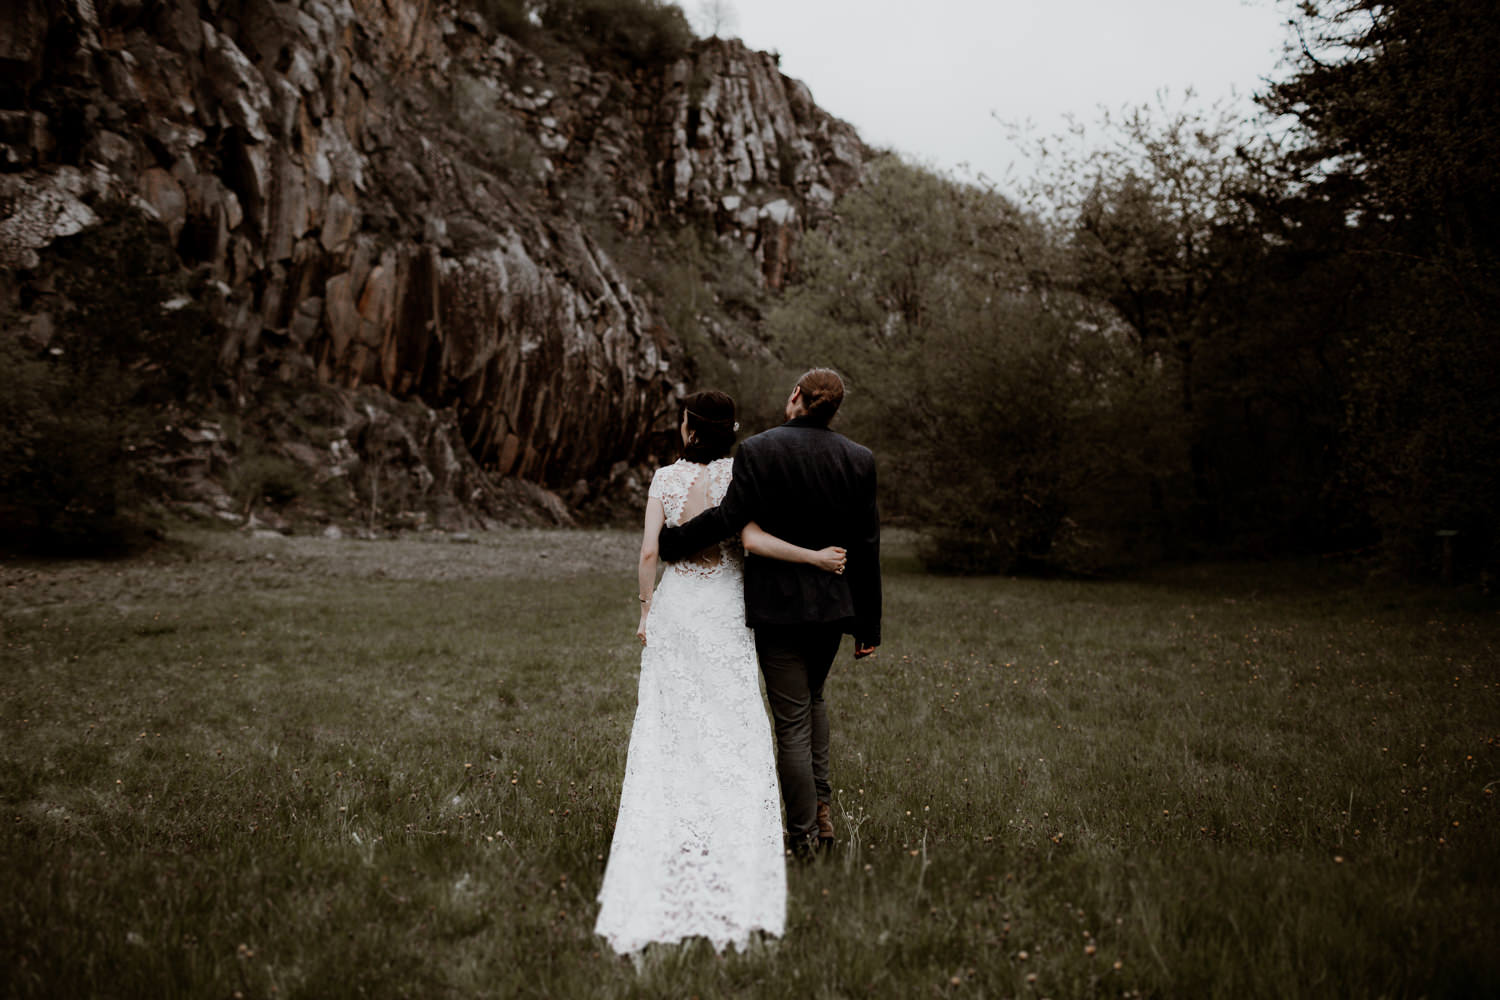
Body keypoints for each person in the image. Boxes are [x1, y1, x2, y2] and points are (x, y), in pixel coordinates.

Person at [594, 390, 847, 956]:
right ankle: (738, 831)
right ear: (728, 430)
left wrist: (644, 611)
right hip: (729, 606)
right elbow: (750, 539)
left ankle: (672, 826)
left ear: (688, 429)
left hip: (680, 606)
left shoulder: (663, 479)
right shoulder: (743, 471)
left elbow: (647, 555)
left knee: (671, 719)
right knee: (733, 716)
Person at [657, 368, 881, 858]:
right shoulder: (859, 459)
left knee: (793, 721)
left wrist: (673, 541)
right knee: (813, 701)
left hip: (779, 608)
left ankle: (801, 838)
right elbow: (867, 546)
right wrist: (868, 626)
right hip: (833, 608)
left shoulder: (758, 450)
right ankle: (820, 815)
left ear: (797, 395)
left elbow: (730, 519)